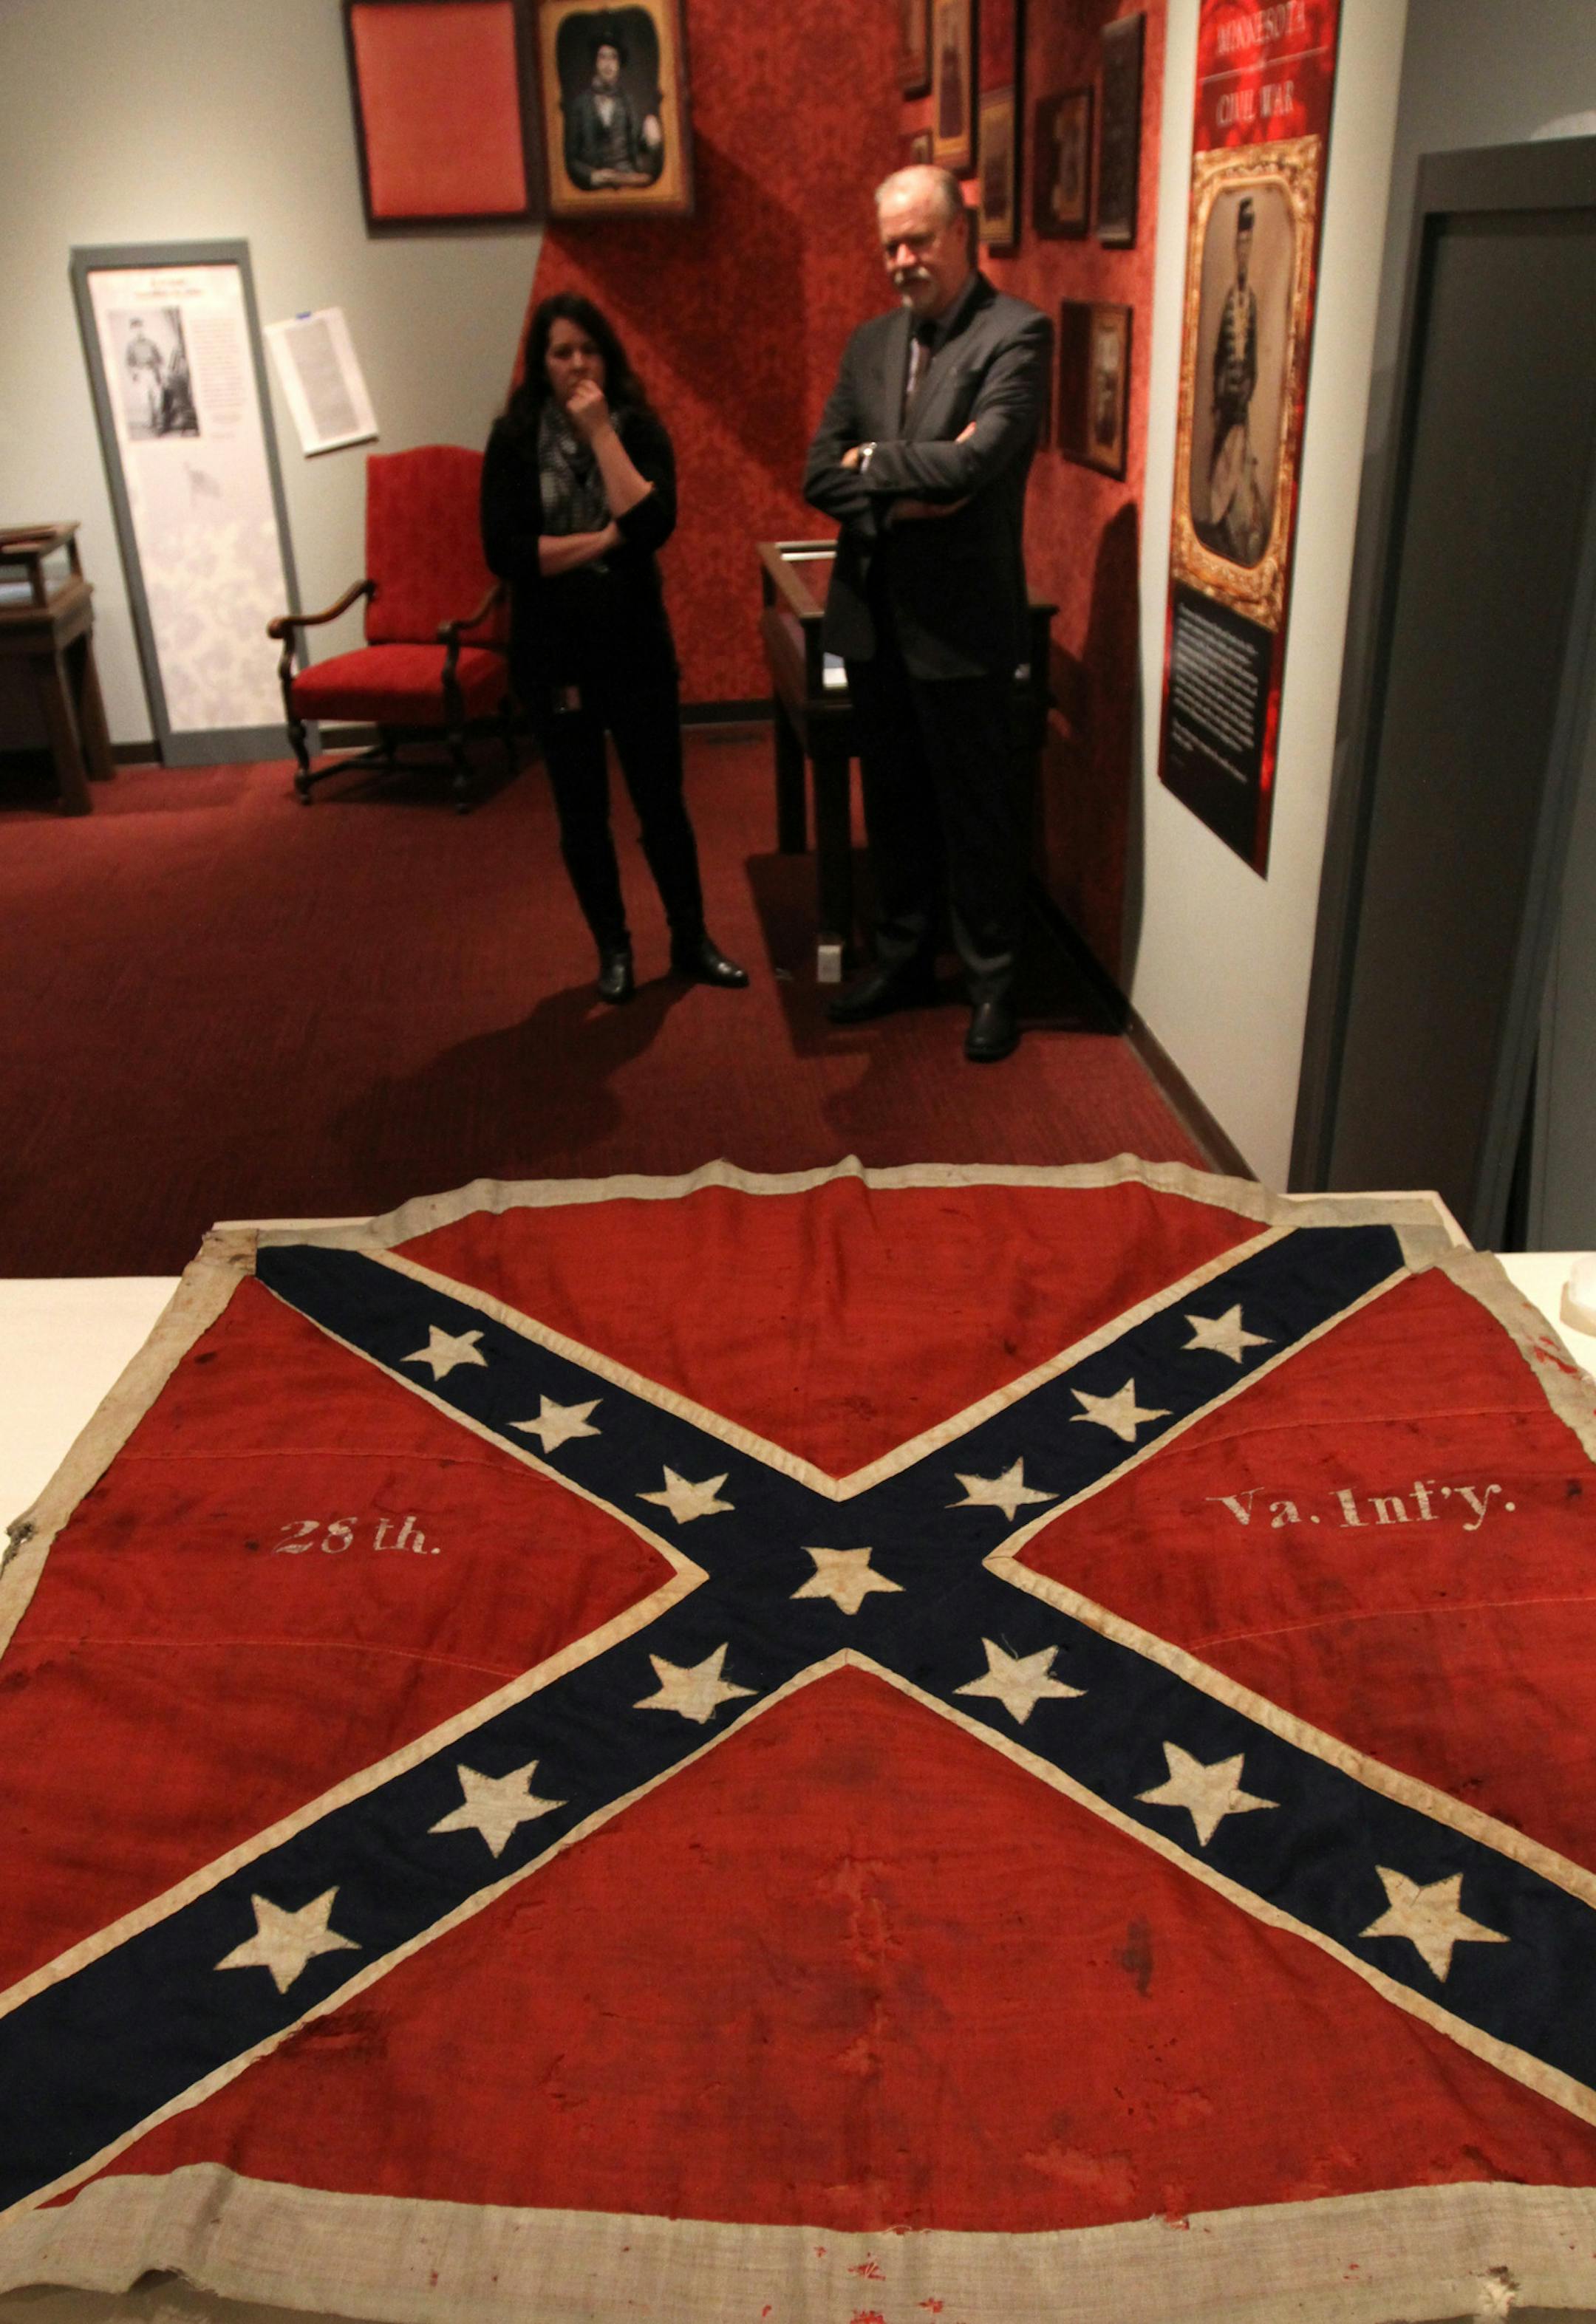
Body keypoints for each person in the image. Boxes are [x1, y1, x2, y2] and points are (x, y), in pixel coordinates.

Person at [802, 163, 1050, 1063]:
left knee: (977, 813)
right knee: (896, 807)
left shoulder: (1017, 334)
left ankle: (992, 984)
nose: (902, 260)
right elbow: (818, 469)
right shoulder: (870, 342)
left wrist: (881, 466)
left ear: (960, 235)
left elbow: (976, 471)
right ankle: (903, 960)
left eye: (917, 240)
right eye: (889, 246)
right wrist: (903, 482)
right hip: (873, 620)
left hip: (962, 627)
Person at [480, 292, 747, 1002]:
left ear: (608, 356)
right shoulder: (511, 441)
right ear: (540, 364)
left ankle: (691, 939)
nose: (576, 364)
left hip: (634, 649)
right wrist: (602, 540)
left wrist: (601, 434)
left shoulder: (637, 427)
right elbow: (506, 553)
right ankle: (615, 949)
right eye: (561, 352)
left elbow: (656, 523)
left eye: (588, 349)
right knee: (582, 812)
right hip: (554, 656)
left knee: (662, 803)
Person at [1204, 196, 1264, 564]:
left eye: (1249, 246)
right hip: (1226, 398)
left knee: (1239, 462)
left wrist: (1247, 385)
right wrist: (1219, 388)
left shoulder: (1252, 302)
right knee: (1220, 462)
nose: (1244, 253)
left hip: (1240, 399)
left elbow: (1252, 352)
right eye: (1240, 246)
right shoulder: (1230, 300)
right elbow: (1218, 355)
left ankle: (1236, 534)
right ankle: (1220, 528)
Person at [564, 35, 663, 192]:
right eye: (603, 57)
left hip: (628, 178)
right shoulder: (580, 105)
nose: (608, 64)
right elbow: (571, 160)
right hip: (595, 186)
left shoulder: (628, 102)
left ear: (619, 64)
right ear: (595, 63)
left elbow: (637, 146)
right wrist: (592, 175)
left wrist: (651, 140)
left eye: (613, 58)